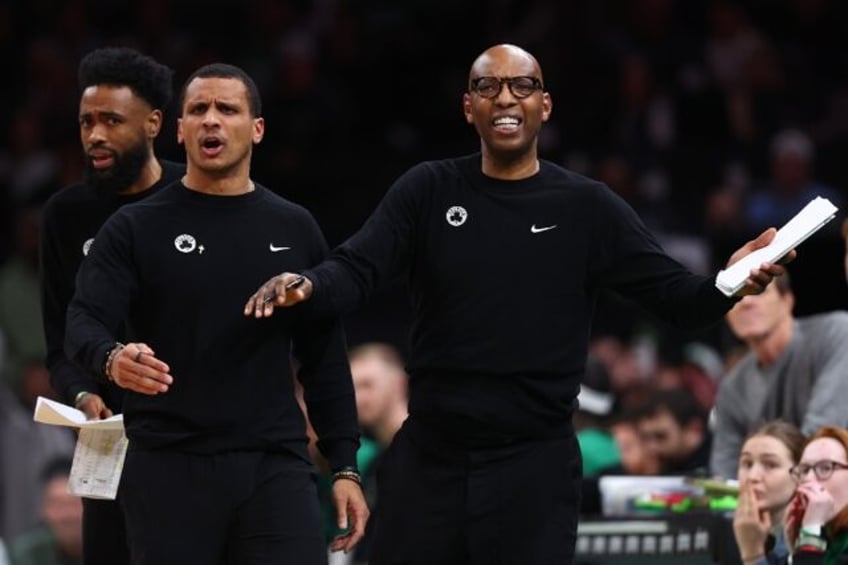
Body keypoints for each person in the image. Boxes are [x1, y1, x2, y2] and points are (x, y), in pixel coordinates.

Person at [243, 43, 788, 564]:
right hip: (432, 457)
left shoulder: (587, 207)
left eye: (522, 85)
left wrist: (731, 278)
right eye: (488, 86)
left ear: (544, 105)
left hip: (534, 464)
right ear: (468, 106)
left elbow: (678, 298)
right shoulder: (428, 190)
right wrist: (311, 284)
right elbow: (357, 268)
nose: (505, 98)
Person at [64, 62, 368, 564]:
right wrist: (111, 357)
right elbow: (83, 319)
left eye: (227, 109)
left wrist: (344, 466)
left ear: (257, 129)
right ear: (179, 130)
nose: (211, 120)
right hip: (167, 464)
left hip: (273, 464)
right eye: (198, 109)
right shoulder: (134, 227)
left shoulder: (295, 226)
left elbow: (325, 358)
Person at [38, 46, 183, 565]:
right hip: (108, 444)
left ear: (153, 123)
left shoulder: (199, 195)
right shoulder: (65, 215)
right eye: (86, 122)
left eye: (111, 121)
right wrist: (80, 394)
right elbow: (59, 346)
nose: (95, 135)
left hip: (194, 437)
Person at [710, 272, 848, 480]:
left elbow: (821, 438)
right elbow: (725, 474)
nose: (746, 302)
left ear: (787, 301)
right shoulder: (732, 386)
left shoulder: (835, 333)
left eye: (759, 290)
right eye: (736, 295)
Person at [732, 420, 806, 565]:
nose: (752, 476)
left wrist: (753, 556)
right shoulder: (733, 531)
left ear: (800, 474)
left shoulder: (811, 542)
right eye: (747, 464)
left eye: (770, 465)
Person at [783, 426, 848, 563]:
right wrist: (795, 550)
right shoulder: (826, 535)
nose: (808, 478)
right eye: (805, 470)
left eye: (825, 467)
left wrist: (811, 533)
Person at [8, 457, 83, 565]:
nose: (68, 515)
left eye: (74, 503)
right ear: (44, 510)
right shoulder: (27, 554)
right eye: (58, 505)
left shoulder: (112, 549)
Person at [632, 387, 712, 475]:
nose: (651, 447)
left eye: (661, 436)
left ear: (694, 430)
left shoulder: (719, 465)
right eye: (645, 438)